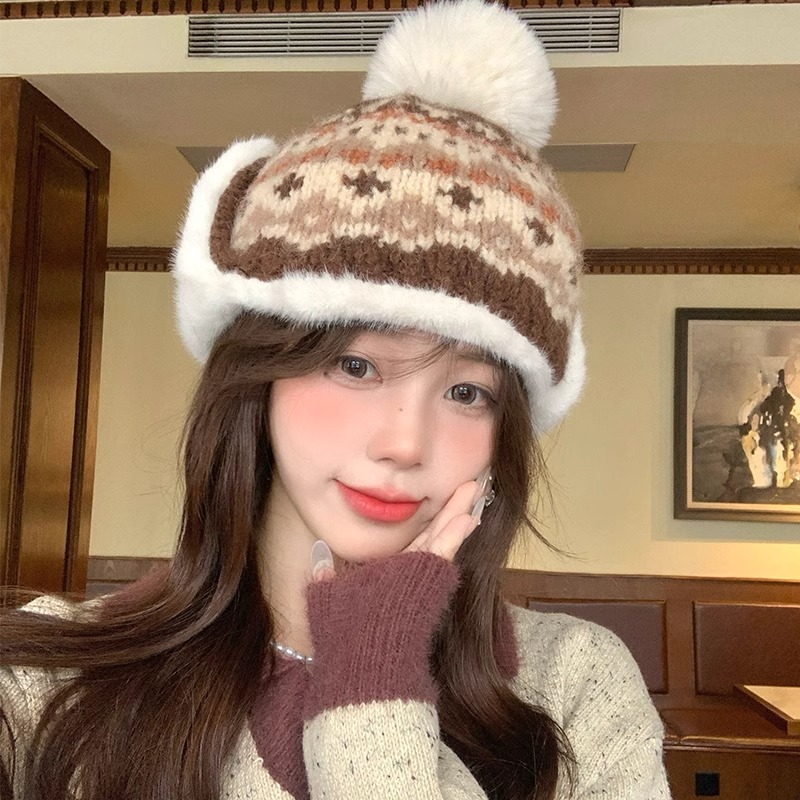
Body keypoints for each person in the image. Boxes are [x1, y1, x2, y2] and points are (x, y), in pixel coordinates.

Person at [0, 2, 670, 798]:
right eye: (355, 366)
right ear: (260, 375)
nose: (404, 443)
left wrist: (373, 680)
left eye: (466, 391)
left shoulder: (577, 685)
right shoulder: (45, 681)